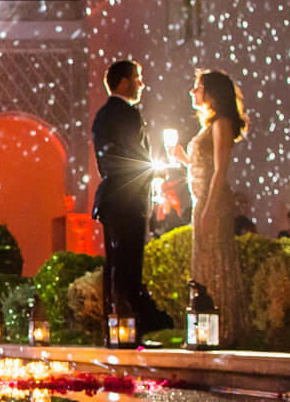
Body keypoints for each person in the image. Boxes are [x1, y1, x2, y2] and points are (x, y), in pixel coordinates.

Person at [169, 67, 249, 344]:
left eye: (198, 87)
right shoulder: (210, 125)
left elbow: (220, 170)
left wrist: (209, 208)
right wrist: (183, 158)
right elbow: (202, 166)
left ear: (212, 94)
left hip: (212, 202)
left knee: (216, 261)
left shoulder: (221, 124)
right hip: (202, 200)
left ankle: (221, 328)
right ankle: (204, 330)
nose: (193, 92)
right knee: (204, 261)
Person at [93, 59, 170, 339]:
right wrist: (152, 173)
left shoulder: (102, 116)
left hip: (112, 198)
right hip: (128, 198)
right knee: (128, 263)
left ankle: (117, 322)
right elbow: (135, 156)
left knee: (116, 264)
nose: (141, 84)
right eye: (138, 78)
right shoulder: (127, 114)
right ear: (124, 82)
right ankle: (132, 322)